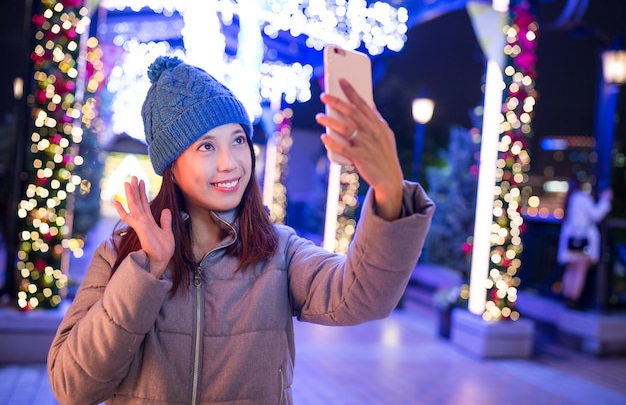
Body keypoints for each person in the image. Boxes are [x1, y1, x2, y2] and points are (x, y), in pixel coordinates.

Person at [47, 55, 435, 405]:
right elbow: (72, 387)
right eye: (205, 146)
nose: (230, 162)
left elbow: (362, 297)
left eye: (238, 140)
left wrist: (388, 191)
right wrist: (147, 270)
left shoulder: (279, 251)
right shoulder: (121, 256)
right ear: (171, 166)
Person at [557, 176, 612, 310]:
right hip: (582, 241)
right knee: (579, 271)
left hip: (571, 240)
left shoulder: (570, 198)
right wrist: (605, 200)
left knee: (571, 271)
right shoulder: (582, 198)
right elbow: (596, 215)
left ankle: (567, 298)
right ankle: (573, 301)